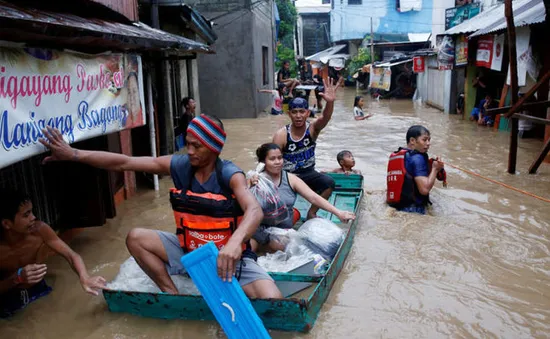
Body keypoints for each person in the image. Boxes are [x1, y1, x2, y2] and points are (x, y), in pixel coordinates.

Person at [39, 115, 282, 299]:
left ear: (214, 147)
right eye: (188, 144)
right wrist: (73, 154)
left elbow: (254, 210)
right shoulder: (180, 165)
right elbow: (125, 162)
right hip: (190, 250)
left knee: (273, 298)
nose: (189, 151)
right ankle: (172, 294)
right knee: (136, 238)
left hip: (229, 257)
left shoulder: (229, 174)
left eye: (197, 146)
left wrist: (232, 245)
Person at [0, 188, 106, 318]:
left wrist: (85, 277)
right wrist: (17, 278)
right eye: (26, 215)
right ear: (6, 223)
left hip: (38, 288)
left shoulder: (39, 230)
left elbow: (71, 255)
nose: (33, 217)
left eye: (31, 212)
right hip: (8, 296)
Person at [249, 144, 355, 253]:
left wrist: (338, 213)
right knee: (248, 251)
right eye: (272, 159)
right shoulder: (256, 179)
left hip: (282, 230)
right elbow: (244, 207)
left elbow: (313, 197)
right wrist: (251, 186)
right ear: (263, 162)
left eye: (280, 158)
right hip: (259, 229)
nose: (277, 162)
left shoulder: (290, 179)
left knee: (297, 250)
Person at [272, 77, 340, 220]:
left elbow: (325, 118)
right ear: (289, 113)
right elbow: (271, 161)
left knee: (329, 183)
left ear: (307, 113)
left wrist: (330, 102)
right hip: (288, 176)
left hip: (308, 173)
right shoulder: (281, 135)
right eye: (294, 112)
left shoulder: (312, 129)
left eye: (302, 112)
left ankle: (312, 212)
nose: (298, 116)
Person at [386, 125, 444, 215]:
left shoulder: (400, 156)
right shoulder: (418, 158)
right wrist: (435, 169)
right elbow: (424, 189)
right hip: (414, 210)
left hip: (395, 207)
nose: (428, 143)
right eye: (424, 140)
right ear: (412, 141)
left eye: (429, 140)